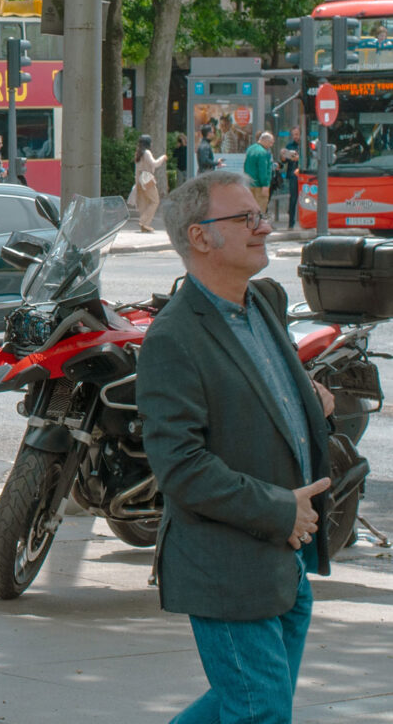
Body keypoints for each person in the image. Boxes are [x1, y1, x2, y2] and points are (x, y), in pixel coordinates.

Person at [137, 171, 336, 724]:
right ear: (201, 238)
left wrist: (308, 395)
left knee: (241, 705)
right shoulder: (174, 338)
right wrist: (280, 509)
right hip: (227, 569)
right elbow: (182, 468)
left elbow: (266, 389)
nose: (264, 227)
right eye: (245, 219)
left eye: (260, 213)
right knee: (260, 711)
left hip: (284, 562)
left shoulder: (261, 301)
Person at [133, 134, 167, 233]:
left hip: (139, 179)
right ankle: (143, 221)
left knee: (144, 202)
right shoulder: (147, 152)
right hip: (147, 178)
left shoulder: (138, 153)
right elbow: (154, 164)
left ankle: (145, 225)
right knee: (155, 200)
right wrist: (163, 158)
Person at [243, 130, 276, 214]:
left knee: (250, 209)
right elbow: (263, 170)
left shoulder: (250, 149)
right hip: (260, 186)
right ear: (265, 140)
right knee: (260, 210)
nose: (271, 145)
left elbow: (245, 166)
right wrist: (265, 184)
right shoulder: (263, 153)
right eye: (270, 143)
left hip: (249, 184)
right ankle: (258, 225)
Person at [280, 126, 301, 228]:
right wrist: (283, 156)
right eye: (293, 135)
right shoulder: (290, 145)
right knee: (293, 199)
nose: (295, 137)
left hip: (305, 175)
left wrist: (299, 158)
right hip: (293, 175)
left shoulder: (306, 144)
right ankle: (291, 223)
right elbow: (284, 161)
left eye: (297, 134)